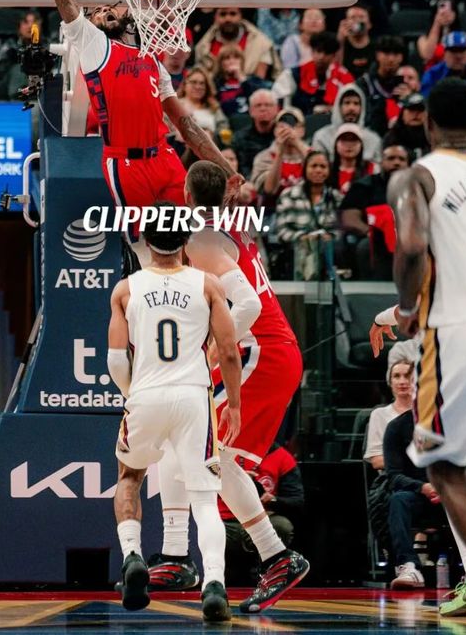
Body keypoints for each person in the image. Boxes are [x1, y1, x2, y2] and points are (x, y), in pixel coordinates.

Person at [7, 0, 242, 230]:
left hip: (164, 156)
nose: (105, 9)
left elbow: (185, 124)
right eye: (97, 10)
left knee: (193, 238)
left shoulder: (151, 58)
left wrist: (227, 170)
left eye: (111, 5)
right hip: (125, 164)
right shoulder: (93, 44)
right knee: (149, 246)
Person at [148, 167, 309, 613]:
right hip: (266, 351)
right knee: (182, 440)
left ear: (185, 192)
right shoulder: (225, 227)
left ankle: (273, 556)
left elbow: (250, 305)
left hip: (262, 352)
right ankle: (179, 555)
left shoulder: (201, 239)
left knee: (214, 457)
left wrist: (210, 352)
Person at [388, 77, 466, 633]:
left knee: (445, 465)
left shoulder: (418, 175)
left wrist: (408, 306)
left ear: (428, 124)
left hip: (459, 329)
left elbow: (411, 244)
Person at [107, 202, 242, 621]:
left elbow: (115, 359)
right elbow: (230, 352)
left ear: (146, 241)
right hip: (193, 397)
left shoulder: (126, 289)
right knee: (204, 497)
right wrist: (235, 404)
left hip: (146, 393)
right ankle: (214, 583)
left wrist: (133, 394)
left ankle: (132, 556)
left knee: (129, 478)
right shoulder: (208, 285)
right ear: (186, 241)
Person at [221, 446, 305, 586]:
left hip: (262, 519)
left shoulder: (283, 457)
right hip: (226, 521)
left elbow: (297, 501)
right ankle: (213, 578)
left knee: (282, 525)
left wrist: (272, 500)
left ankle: (271, 575)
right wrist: (235, 481)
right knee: (207, 526)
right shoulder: (223, 451)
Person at [384, 406, 447, 589]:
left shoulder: (457, 423)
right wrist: (422, 487)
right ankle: (409, 566)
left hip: (452, 492)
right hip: (417, 494)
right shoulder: (397, 426)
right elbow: (394, 476)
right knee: (398, 500)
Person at [338, 144, 409, 279]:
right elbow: (349, 218)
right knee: (366, 247)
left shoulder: (415, 188)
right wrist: (370, 233)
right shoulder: (364, 185)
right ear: (381, 162)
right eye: (391, 158)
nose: (396, 163)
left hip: (407, 236)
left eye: (401, 159)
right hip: (374, 237)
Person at [275, 151, 341, 266]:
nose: (318, 170)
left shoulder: (336, 197)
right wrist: (301, 237)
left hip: (328, 248)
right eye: (313, 166)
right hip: (295, 248)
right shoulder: (288, 195)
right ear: (305, 169)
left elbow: (342, 228)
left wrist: (331, 236)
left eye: (323, 167)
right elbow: (281, 231)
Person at [195, 6, 280, 81]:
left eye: (233, 14)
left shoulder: (261, 43)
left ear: (241, 16)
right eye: (223, 14)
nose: (228, 19)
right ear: (215, 17)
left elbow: (259, 81)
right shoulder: (204, 46)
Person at [364, 356, 416, 472]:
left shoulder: (428, 413)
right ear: (390, 382)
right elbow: (376, 461)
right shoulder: (379, 414)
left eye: (407, 376)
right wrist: (414, 463)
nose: (402, 382)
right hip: (393, 478)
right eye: (396, 376)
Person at [311, 84, 382, 164]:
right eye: (347, 103)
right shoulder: (321, 137)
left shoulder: (373, 140)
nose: (351, 108)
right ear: (338, 106)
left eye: (356, 103)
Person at [251, 108, 309, 205]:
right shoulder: (264, 157)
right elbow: (269, 190)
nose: (287, 130)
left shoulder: (312, 154)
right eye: (281, 126)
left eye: (293, 125)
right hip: (274, 208)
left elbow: (322, 180)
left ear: (302, 131)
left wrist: (298, 144)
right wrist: (280, 152)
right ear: (275, 131)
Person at [288, 32, 355, 116]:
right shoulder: (296, 73)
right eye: (318, 51)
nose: (321, 57)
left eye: (327, 53)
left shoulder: (344, 77)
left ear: (334, 56)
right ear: (312, 52)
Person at [356, 35, 408, 137]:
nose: (391, 59)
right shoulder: (364, 84)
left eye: (396, 54)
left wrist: (408, 100)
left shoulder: (405, 86)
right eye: (386, 53)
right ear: (378, 55)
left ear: (401, 57)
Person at [417, 0, 466, 71]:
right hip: (433, 76)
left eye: (450, 10)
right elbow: (427, 55)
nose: (445, 14)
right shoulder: (423, 39)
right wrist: (437, 23)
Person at [421, 32, 466, 97]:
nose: (458, 56)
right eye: (454, 50)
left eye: (462, 50)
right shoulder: (432, 74)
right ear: (445, 53)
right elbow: (427, 99)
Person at [232, 88, 279, 178]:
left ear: (277, 109)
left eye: (268, 105)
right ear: (250, 111)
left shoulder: (283, 137)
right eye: (258, 105)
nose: (263, 109)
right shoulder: (239, 138)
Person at [174, 66, 230, 142]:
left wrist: (213, 135)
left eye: (202, 83)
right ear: (184, 85)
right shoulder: (174, 105)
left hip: (210, 146)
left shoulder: (213, 107)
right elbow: (164, 131)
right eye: (193, 82)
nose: (198, 87)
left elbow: (225, 130)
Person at [330, 123, 377, 195]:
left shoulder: (372, 168)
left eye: (353, 140)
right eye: (344, 140)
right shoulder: (327, 169)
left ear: (361, 145)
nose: (349, 145)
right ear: (336, 144)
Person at [383, 92, 430, 161]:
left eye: (420, 110)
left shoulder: (433, 135)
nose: (416, 114)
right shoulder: (392, 136)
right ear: (402, 113)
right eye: (411, 110)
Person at [337, 4, 375, 80]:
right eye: (353, 17)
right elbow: (335, 70)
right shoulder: (341, 45)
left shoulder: (377, 47)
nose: (357, 21)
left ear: (369, 24)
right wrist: (340, 40)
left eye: (361, 17)